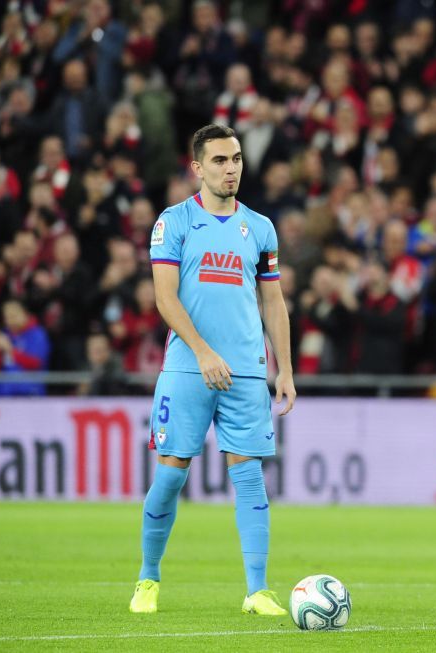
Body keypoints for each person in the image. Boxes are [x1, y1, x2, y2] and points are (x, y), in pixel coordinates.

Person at [129, 124, 297, 616]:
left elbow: (273, 300)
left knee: (249, 477)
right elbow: (165, 297)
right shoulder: (174, 221)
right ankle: (148, 578)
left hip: (246, 370)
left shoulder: (261, 228)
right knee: (171, 474)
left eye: (237, 159)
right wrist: (202, 352)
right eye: (220, 161)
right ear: (198, 168)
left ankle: (257, 590)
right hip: (188, 368)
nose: (232, 169)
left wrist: (283, 368)